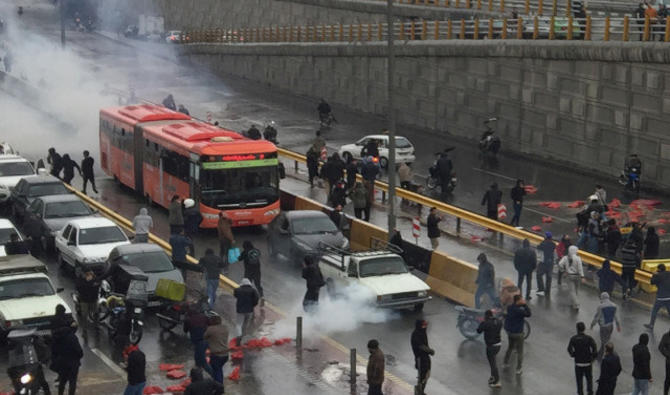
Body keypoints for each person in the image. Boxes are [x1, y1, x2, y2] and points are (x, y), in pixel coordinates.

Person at [51, 321, 83, 395]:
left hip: (61, 363)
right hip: (73, 363)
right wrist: (78, 357)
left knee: (62, 381)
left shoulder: (57, 337)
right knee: (72, 381)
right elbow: (79, 351)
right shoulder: (72, 337)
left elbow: (53, 350)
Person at [503, 294, 531, 375]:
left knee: (510, 347)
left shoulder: (510, 308)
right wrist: (525, 305)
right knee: (520, 351)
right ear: (518, 301)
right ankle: (518, 368)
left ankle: (505, 363)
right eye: (521, 299)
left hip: (510, 332)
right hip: (518, 333)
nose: (523, 300)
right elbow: (529, 314)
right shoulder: (519, 311)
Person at [568, 322, 598, 395]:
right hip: (587, 362)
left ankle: (580, 393)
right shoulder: (588, 338)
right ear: (584, 329)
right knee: (589, 379)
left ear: (577, 329)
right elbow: (594, 348)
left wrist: (573, 355)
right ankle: (590, 392)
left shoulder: (573, 338)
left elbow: (569, 349)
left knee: (579, 380)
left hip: (578, 363)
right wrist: (592, 357)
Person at [590, 292, 621, 360]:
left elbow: (597, 317)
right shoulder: (614, 306)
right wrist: (618, 326)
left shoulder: (601, 306)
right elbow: (617, 318)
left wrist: (592, 325)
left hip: (603, 327)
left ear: (602, 298)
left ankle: (605, 355)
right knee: (606, 340)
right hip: (611, 326)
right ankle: (602, 353)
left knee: (604, 341)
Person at [477, 309, 503, 388]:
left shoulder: (485, 323)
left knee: (493, 364)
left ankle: (497, 381)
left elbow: (478, 331)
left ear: (485, 316)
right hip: (498, 345)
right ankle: (493, 377)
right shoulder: (498, 321)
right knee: (493, 361)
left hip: (491, 347)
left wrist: (481, 322)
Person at [184, 307, 213, 376]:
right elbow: (211, 324)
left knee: (203, 362)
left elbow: (185, 330)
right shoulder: (204, 316)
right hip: (206, 340)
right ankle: (197, 375)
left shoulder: (188, 320)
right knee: (197, 358)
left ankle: (215, 376)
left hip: (199, 342)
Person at [411, 319, 434, 395]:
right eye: (423, 325)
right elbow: (420, 346)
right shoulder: (416, 334)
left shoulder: (422, 332)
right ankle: (418, 392)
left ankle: (421, 391)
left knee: (426, 375)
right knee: (422, 376)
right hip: (420, 359)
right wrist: (429, 351)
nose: (425, 327)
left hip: (425, 358)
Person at [204, 314, 229, 385]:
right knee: (218, 368)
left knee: (217, 369)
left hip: (216, 354)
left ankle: (218, 385)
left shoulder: (210, 329)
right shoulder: (225, 328)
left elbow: (204, 337)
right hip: (225, 354)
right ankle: (216, 381)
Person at [559, 245, 585, 310]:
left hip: (569, 275)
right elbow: (580, 268)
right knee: (576, 290)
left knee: (572, 291)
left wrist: (563, 271)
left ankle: (575, 303)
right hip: (577, 276)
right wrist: (582, 277)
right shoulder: (578, 258)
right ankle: (575, 304)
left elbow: (560, 264)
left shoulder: (565, 257)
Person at [645, 263, 670, 330]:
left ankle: (651, 325)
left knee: (654, 311)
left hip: (660, 297)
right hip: (669, 297)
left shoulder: (658, 275)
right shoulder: (668, 273)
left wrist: (654, 275)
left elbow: (652, 282)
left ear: (659, 269)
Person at [233, 278, 259, 343]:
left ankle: (239, 336)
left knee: (239, 324)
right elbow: (256, 299)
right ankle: (243, 336)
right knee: (245, 323)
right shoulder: (253, 291)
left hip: (240, 310)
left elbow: (235, 295)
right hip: (249, 310)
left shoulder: (238, 290)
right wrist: (252, 305)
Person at [75, 270, 100, 336]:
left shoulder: (96, 279)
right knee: (84, 315)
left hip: (93, 300)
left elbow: (97, 285)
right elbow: (79, 287)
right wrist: (90, 284)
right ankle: (84, 330)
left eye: (90, 274)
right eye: (87, 274)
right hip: (84, 301)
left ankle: (96, 326)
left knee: (96, 313)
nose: (89, 276)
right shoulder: (81, 280)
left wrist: (89, 284)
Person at [659, 327, 670, 395]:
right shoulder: (666, 336)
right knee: (668, 379)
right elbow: (660, 347)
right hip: (669, 362)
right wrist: (668, 355)